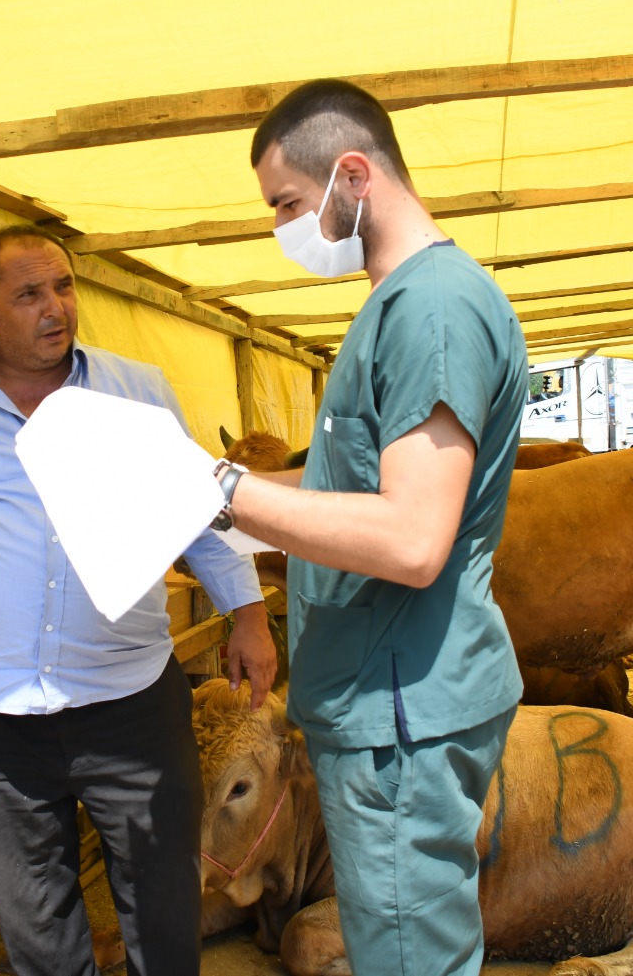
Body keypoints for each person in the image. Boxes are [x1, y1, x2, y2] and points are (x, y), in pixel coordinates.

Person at [0, 224, 277, 976]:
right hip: (2, 717)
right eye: (28, 293)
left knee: (163, 915)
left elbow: (200, 510)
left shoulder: (136, 390)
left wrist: (249, 613)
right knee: (37, 926)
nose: (54, 307)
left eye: (63, 287)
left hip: (130, 702)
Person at [208, 80, 528, 975]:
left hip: (403, 719)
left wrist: (221, 489)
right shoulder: (395, 304)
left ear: (354, 173)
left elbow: (412, 538)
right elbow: (338, 482)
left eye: (288, 205)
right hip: (384, 705)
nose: (281, 228)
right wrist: (197, 502)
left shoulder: (430, 309)